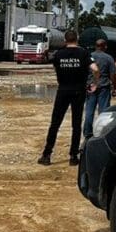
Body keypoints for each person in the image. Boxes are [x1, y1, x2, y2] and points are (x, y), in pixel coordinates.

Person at [39, 31, 100, 167]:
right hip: (79, 91)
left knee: (55, 123)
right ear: (77, 39)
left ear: (65, 40)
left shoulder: (59, 54)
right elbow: (95, 69)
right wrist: (95, 83)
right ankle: (73, 156)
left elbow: (48, 60)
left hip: (63, 90)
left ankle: (47, 154)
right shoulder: (83, 53)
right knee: (76, 124)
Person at [83, 39, 116, 140]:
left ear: (95, 46)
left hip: (90, 87)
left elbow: (84, 72)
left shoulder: (89, 57)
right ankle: (102, 132)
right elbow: (112, 74)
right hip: (104, 86)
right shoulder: (108, 58)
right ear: (105, 46)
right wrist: (115, 87)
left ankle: (87, 133)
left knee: (89, 111)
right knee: (103, 111)